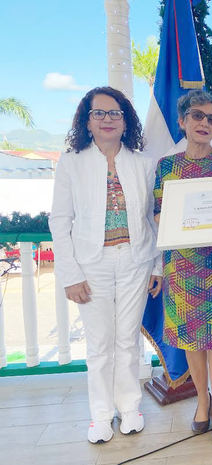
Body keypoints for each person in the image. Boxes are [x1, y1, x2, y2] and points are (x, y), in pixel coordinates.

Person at [49, 86, 162, 444]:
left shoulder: (144, 164)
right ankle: (100, 414)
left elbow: (154, 219)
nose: (108, 119)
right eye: (99, 113)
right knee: (99, 344)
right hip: (91, 265)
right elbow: (60, 220)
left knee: (128, 340)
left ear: (126, 120)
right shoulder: (72, 162)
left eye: (115, 113)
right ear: (87, 120)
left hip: (136, 261)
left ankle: (130, 408)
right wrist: (70, 274)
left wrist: (157, 266)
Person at [153, 90, 212, 446]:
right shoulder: (166, 167)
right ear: (182, 121)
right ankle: (202, 402)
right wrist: (180, 220)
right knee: (193, 341)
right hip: (182, 267)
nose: (204, 123)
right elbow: (158, 213)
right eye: (197, 116)